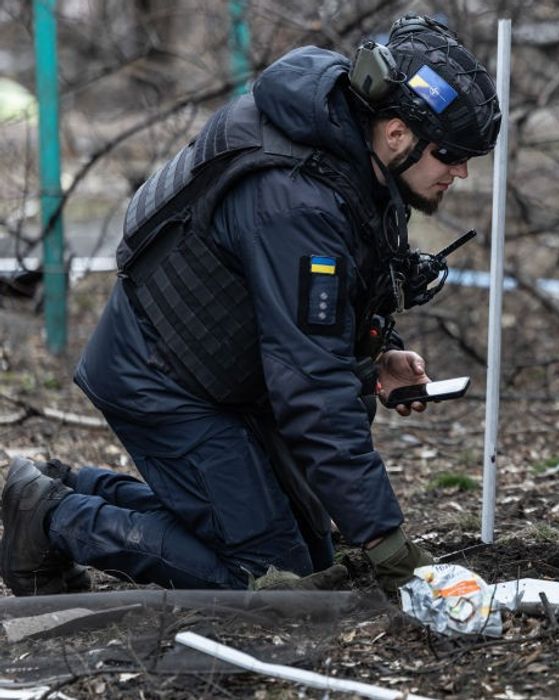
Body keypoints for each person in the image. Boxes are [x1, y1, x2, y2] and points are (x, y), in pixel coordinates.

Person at [0, 15, 500, 595]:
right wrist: (387, 543)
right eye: (452, 154)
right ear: (396, 133)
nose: (461, 171)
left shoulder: (347, 147)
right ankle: (53, 521)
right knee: (265, 576)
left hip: (225, 371)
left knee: (307, 550)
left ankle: (62, 488)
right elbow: (312, 385)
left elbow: (332, 294)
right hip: (164, 382)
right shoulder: (296, 199)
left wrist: (378, 351)